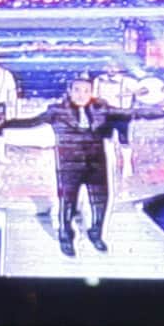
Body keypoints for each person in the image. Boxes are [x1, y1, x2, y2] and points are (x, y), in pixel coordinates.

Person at [47, 71, 125, 258]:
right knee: (68, 203)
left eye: (86, 91)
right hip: (69, 165)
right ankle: (66, 237)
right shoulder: (56, 110)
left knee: (101, 202)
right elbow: (30, 122)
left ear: (92, 92)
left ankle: (95, 233)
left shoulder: (101, 108)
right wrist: (1, 124)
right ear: (70, 91)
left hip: (96, 164)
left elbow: (132, 112)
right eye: (77, 90)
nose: (81, 94)